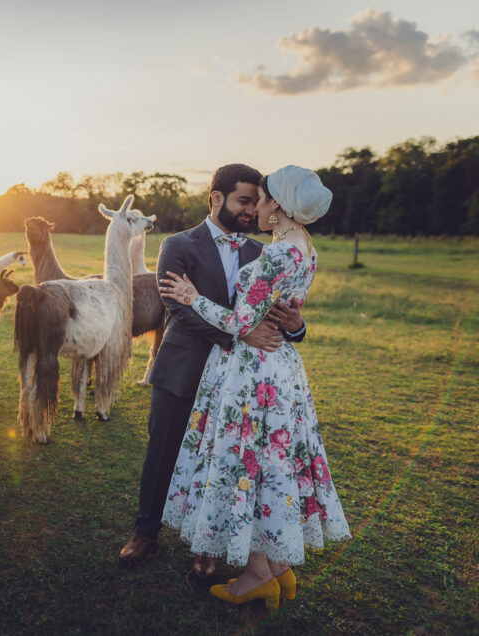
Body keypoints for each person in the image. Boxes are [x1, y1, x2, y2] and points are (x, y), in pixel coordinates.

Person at [158, 165, 351, 608]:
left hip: (255, 375)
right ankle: (279, 569)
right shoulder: (305, 248)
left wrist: (193, 298)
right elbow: (278, 311)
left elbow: (241, 323)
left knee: (254, 466)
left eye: (261, 199)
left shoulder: (278, 254)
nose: (256, 207)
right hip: (279, 368)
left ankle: (257, 575)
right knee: (271, 463)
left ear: (277, 206)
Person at [118, 164, 306, 576]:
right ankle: (145, 532)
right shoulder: (178, 244)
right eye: (243, 200)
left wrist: (296, 327)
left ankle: (207, 546)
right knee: (163, 451)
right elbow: (178, 307)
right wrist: (240, 337)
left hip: (238, 383)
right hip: (182, 369)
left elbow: (275, 316)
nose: (251, 209)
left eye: (255, 201)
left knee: (222, 461)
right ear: (216, 198)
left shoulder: (262, 253)